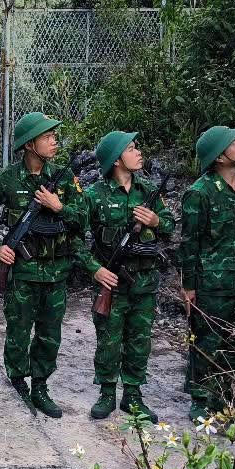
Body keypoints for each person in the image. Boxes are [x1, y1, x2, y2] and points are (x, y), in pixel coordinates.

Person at [0, 112, 85, 418]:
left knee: (50, 334)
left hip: (56, 273)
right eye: (47, 137)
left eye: (54, 136)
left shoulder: (64, 178)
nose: (54, 141)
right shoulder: (6, 180)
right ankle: (17, 383)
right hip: (22, 273)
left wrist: (58, 206)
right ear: (29, 144)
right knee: (19, 332)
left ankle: (40, 386)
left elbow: (83, 219)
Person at [76, 131, 174, 422]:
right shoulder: (95, 196)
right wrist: (95, 269)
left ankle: (133, 396)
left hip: (145, 282)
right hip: (113, 281)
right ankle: (107, 393)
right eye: (131, 149)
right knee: (109, 339)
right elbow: (74, 238)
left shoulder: (149, 191)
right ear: (117, 159)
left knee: (139, 340)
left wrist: (156, 221)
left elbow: (169, 228)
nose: (138, 152)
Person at [180, 125, 235, 423]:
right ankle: (201, 400)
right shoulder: (199, 193)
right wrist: (189, 287)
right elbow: (189, 244)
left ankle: (224, 397)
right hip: (212, 283)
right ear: (218, 156)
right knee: (208, 340)